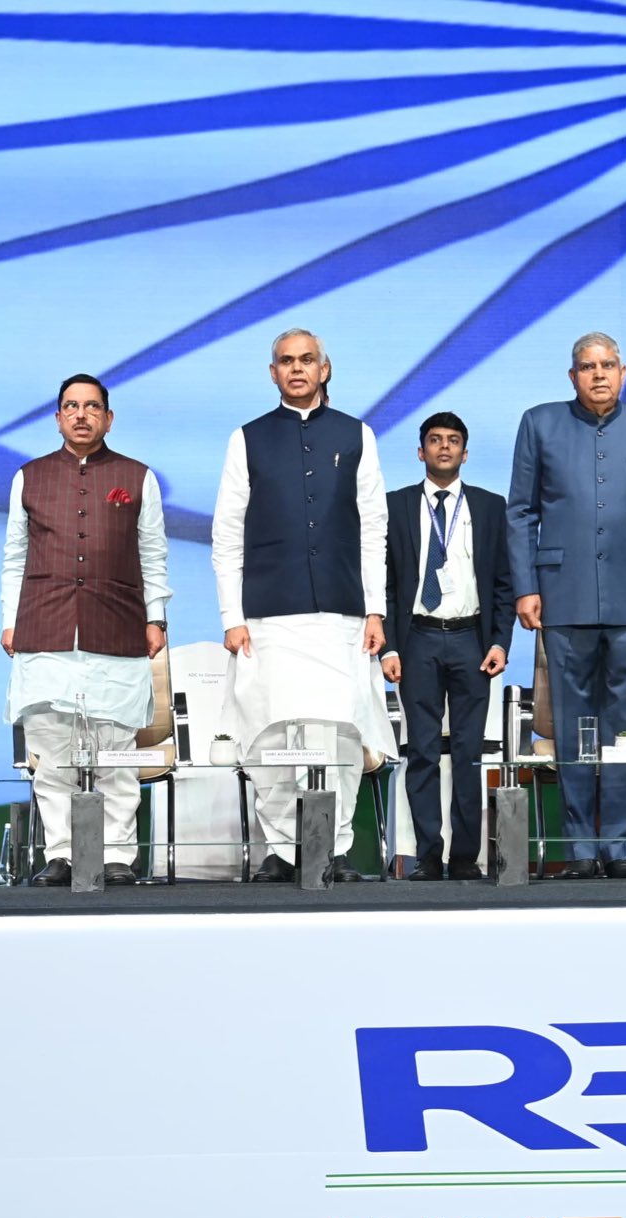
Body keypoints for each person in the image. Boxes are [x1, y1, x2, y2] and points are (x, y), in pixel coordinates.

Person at [211, 329, 393, 883]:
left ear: (325, 368)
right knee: (272, 736)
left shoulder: (356, 434)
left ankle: (334, 848)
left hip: (342, 612)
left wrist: (376, 610)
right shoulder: (248, 438)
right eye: (286, 361)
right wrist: (231, 617)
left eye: (306, 360)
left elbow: (374, 530)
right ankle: (282, 850)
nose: (296, 369)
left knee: (341, 736)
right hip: (268, 612)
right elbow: (226, 533)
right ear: (272, 373)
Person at [507, 331, 626, 880]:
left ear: (623, 371)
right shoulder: (539, 422)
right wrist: (526, 586)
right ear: (572, 376)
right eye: (587, 367)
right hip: (563, 594)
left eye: (608, 365)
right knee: (575, 727)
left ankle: (622, 849)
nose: (598, 375)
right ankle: (581, 852)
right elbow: (520, 512)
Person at [2, 374, 171, 888]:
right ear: (57, 418)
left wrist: (155, 615)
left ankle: (118, 854)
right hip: (44, 626)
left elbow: (153, 554)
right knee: (51, 756)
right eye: (71, 407)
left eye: (91, 406)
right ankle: (60, 854)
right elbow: (14, 556)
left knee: (116, 754)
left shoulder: (136, 476)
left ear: (108, 417)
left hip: (116, 624)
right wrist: (10, 619)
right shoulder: (28, 476)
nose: (81, 415)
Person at [379, 412, 514, 881]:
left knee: (469, 752)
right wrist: (389, 648)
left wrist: (500, 640)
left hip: (470, 638)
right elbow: (387, 584)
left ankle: (464, 858)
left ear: (465, 453)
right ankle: (428, 854)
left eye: (453, 441)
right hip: (416, 638)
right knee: (421, 751)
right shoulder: (395, 506)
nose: (443, 448)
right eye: (434, 440)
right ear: (420, 451)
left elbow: (503, 581)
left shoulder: (489, 506)